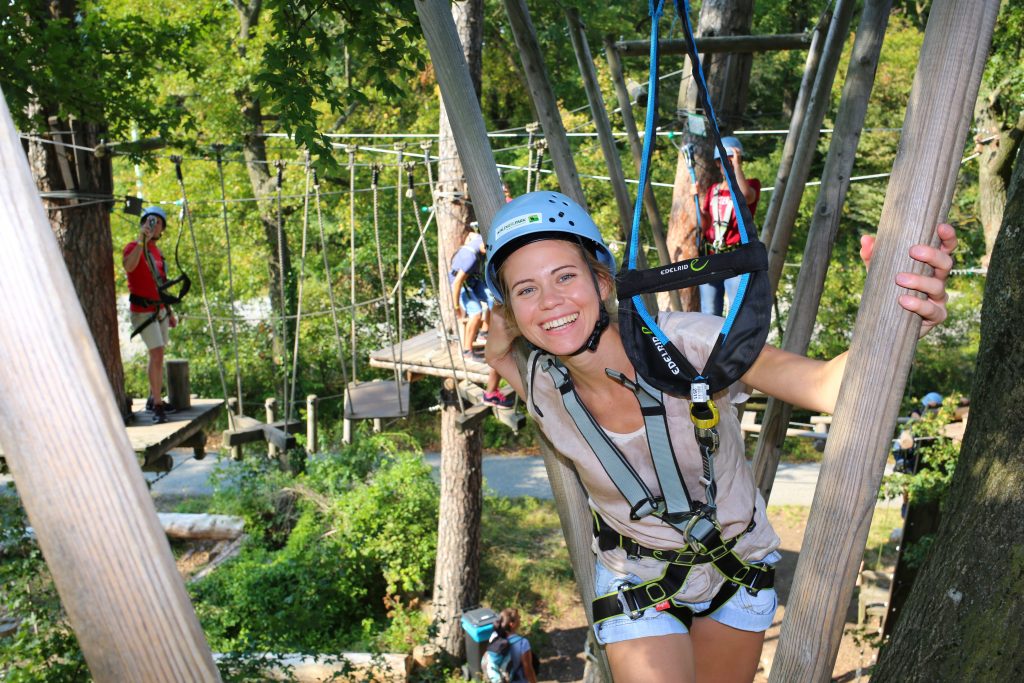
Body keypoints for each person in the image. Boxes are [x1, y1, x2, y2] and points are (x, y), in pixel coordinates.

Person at [483, 191, 955, 683]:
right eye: (526, 290)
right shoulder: (544, 385)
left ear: (602, 282)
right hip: (637, 578)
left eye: (564, 276)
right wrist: (500, 338)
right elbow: (499, 353)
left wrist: (897, 312)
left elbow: (829, 388)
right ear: (512, 311)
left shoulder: (687, 344)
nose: (551, 301)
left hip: (737, 568)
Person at [449, 230, 516, 407]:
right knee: (476, 312)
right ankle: (467, 350)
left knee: (492, 297)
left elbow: (471, 233)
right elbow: (456, 284)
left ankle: (484, 332)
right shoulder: (470, 258)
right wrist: (456, 307)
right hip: (462, 285)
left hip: (473, 280)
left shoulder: (480, 238)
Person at [123, 206, 177, 424]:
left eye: (158, 223)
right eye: (150, 222)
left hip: (159, 309)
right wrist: (140, 241)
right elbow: (129, 266)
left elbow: (160, 283)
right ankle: (156, 404)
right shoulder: (133, 247)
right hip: (143, 311)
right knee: (156, 353)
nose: (154, 226)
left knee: (158, 355)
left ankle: (153, 397)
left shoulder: (158, 252)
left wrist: (170, 311)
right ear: (143, 224)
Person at [699, 136, 761, 317]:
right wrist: (695, 201)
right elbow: (705, 225)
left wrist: (737, 167)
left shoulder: (751, 184)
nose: (725, 165)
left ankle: (735, 345)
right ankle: (710, 345)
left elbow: (745, 196)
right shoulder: (714, 190)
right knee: (709, 312)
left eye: (730, 160)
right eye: (722, 161)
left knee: (737, 310)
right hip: (712, 256)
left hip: (736, 258)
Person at [484, 608, 537, 683]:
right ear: (512, 624)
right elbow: (528, 669)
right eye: (518, 618)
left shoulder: (494, 636)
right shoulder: (523, 643)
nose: (520, 618)